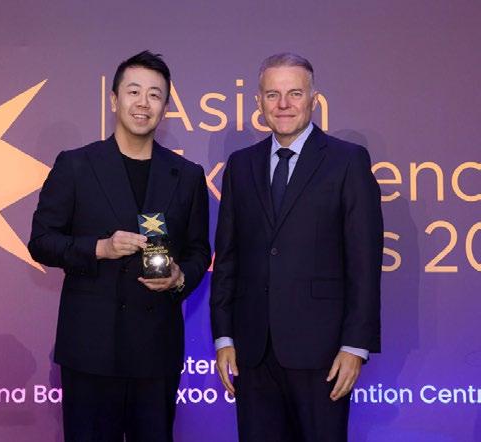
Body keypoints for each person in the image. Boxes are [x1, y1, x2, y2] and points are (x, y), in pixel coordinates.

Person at [28, 50, 211, 442]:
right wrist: (100, 249)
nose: (143, 103)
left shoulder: (187, 175)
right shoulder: (76, 165)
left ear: (165, 108)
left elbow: (199, 251)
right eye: (133, 92)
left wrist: (180, 278)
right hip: (91, 350)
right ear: (114, 100)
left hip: (156, 352)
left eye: (154, 95)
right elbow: (41, 242)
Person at [210, 53, 383, 442]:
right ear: (259, 102)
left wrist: (355, 345)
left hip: (323, 354)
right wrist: (224, 337)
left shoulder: (347, 161)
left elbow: (364, 261)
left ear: (313, 99)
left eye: (295, 93)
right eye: (273, 95)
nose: (283, 104)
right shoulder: (240, 165)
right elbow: (228, 257)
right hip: (252, 353)